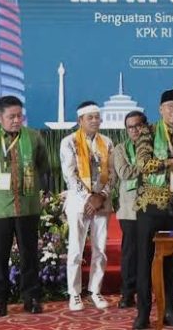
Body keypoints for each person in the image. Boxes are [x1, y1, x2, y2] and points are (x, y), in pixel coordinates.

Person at [0, 95, 49, 317]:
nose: (16, 120)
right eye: (11, 116)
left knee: (29, 255)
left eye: (19, 116)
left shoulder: (33, 137)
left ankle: (31, 298)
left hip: (28, 207)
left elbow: (43, 164)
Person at [133, 89, 173, 329]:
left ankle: (170, 310)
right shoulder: (147, 131)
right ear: (160, 109)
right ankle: (143, 312)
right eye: (170, 107)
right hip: (150, 207)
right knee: (145, 262)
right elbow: (143, 164)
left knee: (171, 264)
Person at [60, 101, 116, 311]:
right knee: (76, 248)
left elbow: (112, 173)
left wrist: (101, 196)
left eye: (97, 117)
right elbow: (70, 174)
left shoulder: (107, 142)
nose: (94, 121)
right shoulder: (69, 142)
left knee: (100, 249)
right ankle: (74, 293)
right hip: (78, 202)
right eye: (89, 117)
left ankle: (95, 291)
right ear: (80, 120)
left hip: (101, 202)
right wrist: (89, 198)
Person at [113, 110, 148, 309]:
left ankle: (147, 290)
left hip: (151, 206)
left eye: (138, 126)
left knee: (149, 251)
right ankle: (127, 293)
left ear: (145, 126)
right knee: (130, 252)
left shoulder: (154, 146)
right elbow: (125, 173)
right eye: (130, 127)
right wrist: (148, 166)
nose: (134, 130)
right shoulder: (120, 149)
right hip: (129, 209)